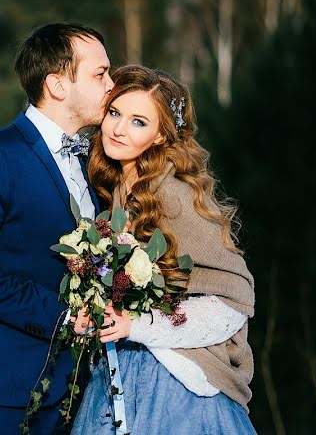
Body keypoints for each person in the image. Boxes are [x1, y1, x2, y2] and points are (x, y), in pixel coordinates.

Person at [0, 22, 114, 434]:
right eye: (100, 73)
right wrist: (61, 315)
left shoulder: (97, 166)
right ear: (57, 84)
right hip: (2, 394)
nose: (111, 84)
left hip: (81, 396)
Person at [71, 65, 256, 435]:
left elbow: (234, 300)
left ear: (159, 137)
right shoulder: (115, 188)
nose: (118, 128)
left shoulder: (172, 192)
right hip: (121, 372)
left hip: (175, 385)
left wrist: (137, 324)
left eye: (139, 121)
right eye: (114, 113)